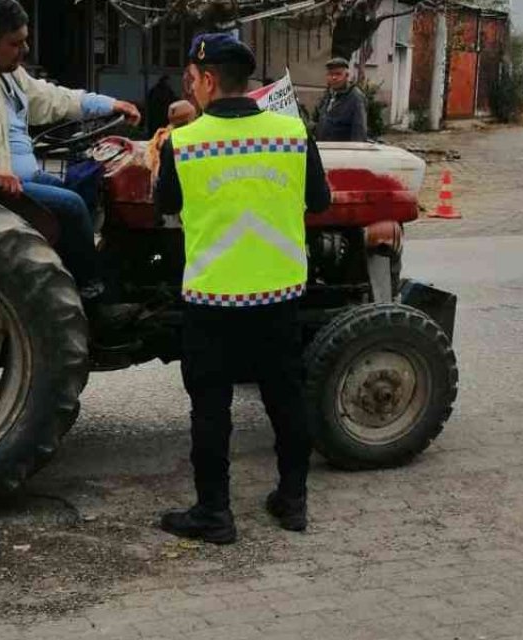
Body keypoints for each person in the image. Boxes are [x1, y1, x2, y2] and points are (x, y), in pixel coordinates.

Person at [153, 33, 331, 544]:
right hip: (278, 294)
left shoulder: (184, 143)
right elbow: (320, 201)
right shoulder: (293, 133)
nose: (191, 88)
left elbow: (165, 205)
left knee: (211, 408)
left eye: (192, 80)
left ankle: (214, 513)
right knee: (285, 398)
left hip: (212, 299)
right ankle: (292, 502)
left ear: (209, 81)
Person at [0, 0, 142, 327]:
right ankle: (93, 299)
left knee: (78, 188)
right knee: (72, 205)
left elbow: (49, 98)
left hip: (11, 178)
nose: (25, 50)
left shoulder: (4, 72)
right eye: (16, 43)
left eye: (25, 40)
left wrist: (108, 104)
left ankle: (76, 271)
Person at [313, 57, 368, 142]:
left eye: (338, 74)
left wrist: (356, 149)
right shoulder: (328, 94)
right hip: (324, 147)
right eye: (330, 74)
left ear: (347, 76)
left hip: (341, 149)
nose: (334, 77)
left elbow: (359, 131)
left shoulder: (355, 97)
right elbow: (317, 120)